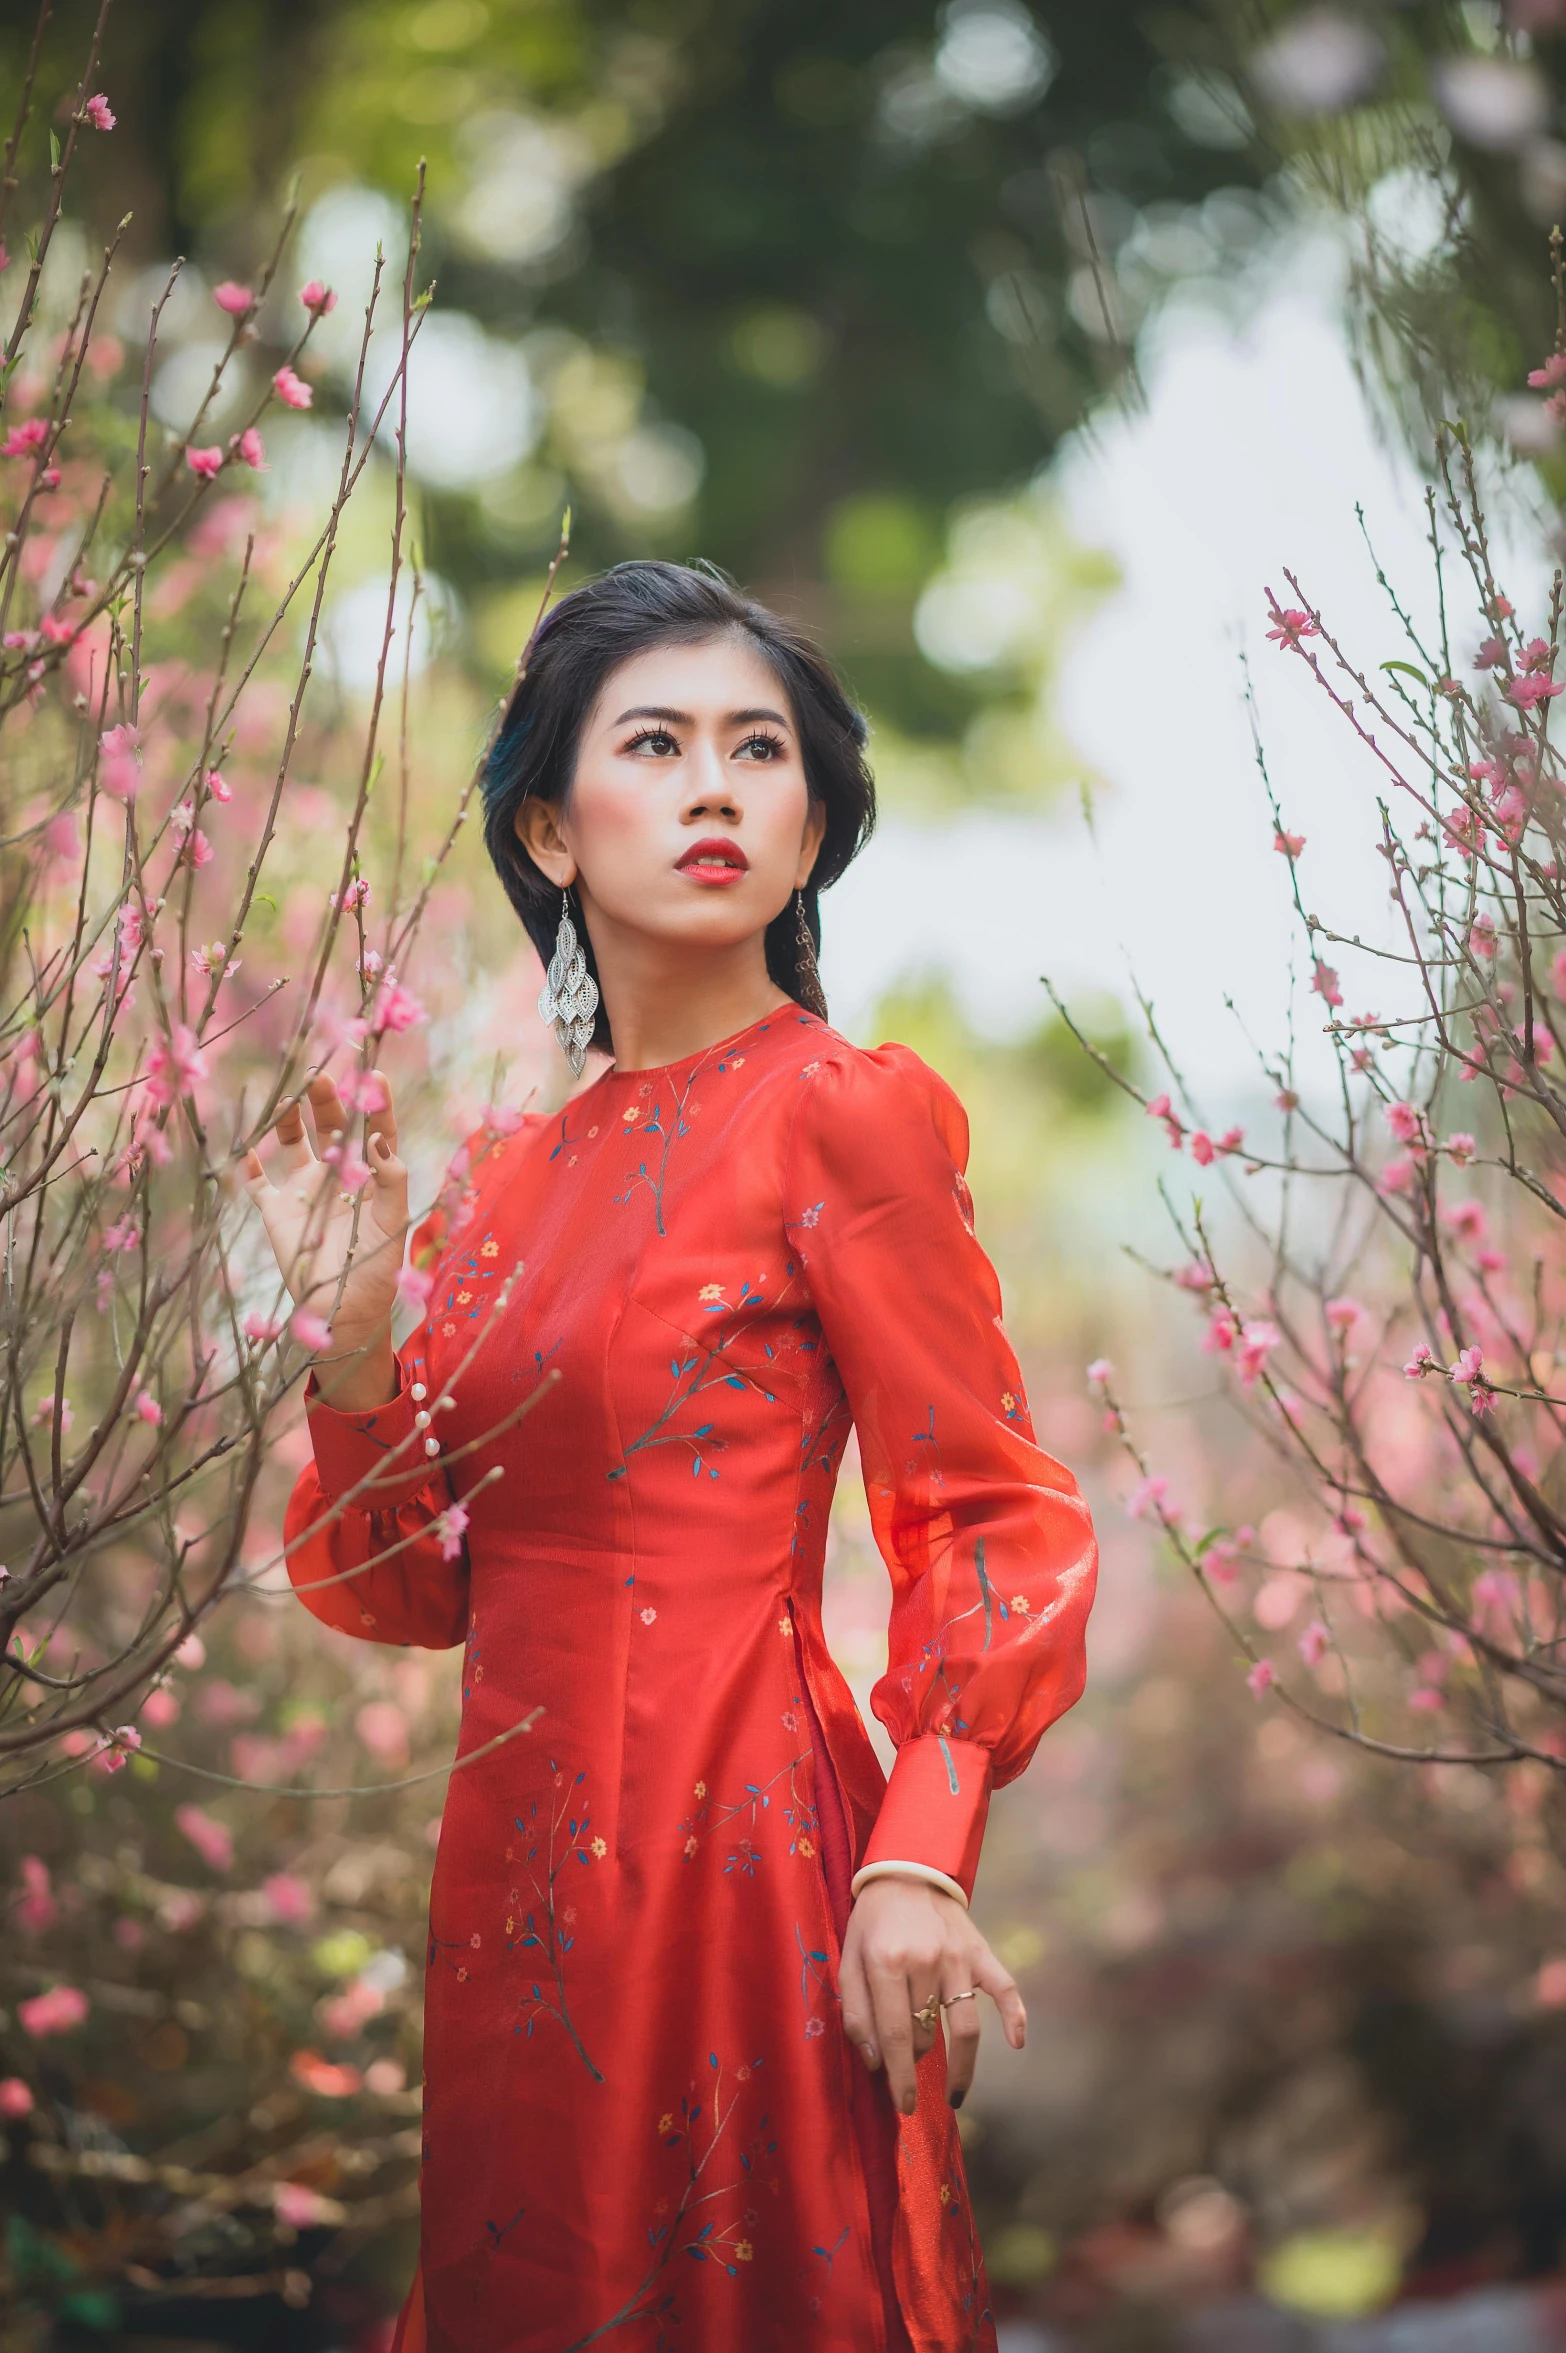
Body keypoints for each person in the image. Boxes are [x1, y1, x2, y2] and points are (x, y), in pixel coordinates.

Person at [249, 560, 1098, 2353]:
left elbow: (992, 1517)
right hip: (511, 1884)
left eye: (757, 751)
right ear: (552, 829)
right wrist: (346, 1333)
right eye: (657, 743)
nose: (715, 785)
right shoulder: (497, 1195)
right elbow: (410, 1596)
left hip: (748, 1848)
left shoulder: (840, 1115)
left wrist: (920, 1852)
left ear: (805, 829)